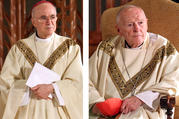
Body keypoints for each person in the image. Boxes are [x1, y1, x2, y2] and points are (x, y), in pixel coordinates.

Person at [89, 5, 179, 119]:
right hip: (106, 113)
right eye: (130, 25)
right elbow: (84, 79)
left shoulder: (163, 48)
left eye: (141, 23)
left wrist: (141, 99)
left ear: (147, 23)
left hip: (144, 111)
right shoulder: (106, 48)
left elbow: (174, 80)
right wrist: (97, 104)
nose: (137, 29)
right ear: (119, 30)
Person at [0, 1, 82, 119]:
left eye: (52, 17)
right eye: (43, 18)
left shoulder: (70, 47)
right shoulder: (19, 49)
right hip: (27, 113)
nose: (49, 22)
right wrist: (28, 88)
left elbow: (77, 83)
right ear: (33, 22)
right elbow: (5, 85)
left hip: (58, 113)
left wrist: (52, 88)